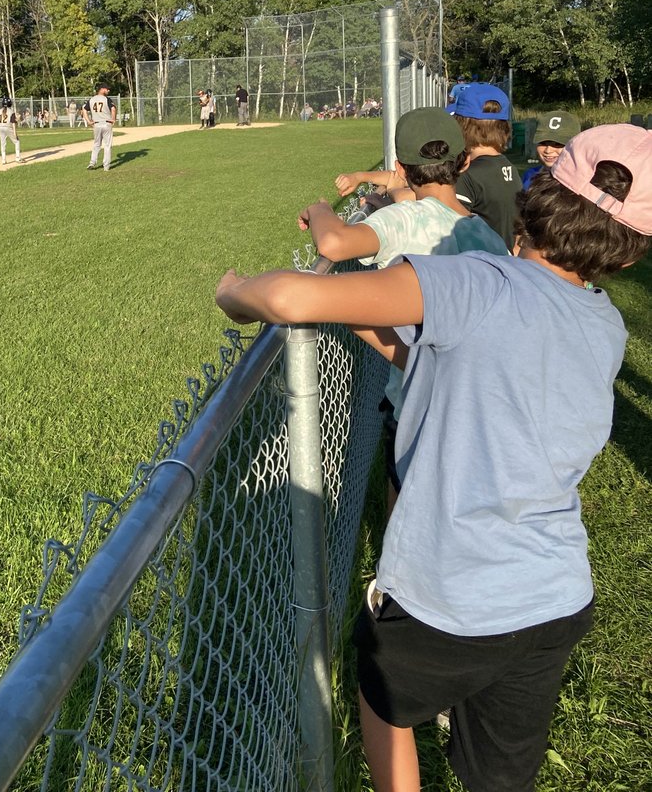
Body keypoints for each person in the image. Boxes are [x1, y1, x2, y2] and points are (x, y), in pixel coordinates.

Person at [217, 124, 652, 792]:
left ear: (536, 196)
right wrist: (358, 316)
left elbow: (288, 297)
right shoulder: (602, 324)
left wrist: (234, 294)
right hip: (554, 598)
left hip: (451, 595)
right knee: (499, 775)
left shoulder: (471, 282)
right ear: (626, 256)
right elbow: (459, 367)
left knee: (383, 701)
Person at [299, 108, 508, 506]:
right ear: (464, 161)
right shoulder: (487, 237)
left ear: (400, 168)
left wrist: (319, 210)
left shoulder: (403, 219)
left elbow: (334, 245)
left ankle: (394, 565)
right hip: (473, 395)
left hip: (416, 395)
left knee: (407, 492)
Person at [448, 81, 519, 250]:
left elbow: (450, 229)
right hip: (505, 265)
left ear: (461, 126)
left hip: (480, 268)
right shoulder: (510, 168)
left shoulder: (468, 175)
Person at [522, 110, 582, 191]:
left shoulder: (585, 182)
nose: (548, 150)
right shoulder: (530, 176)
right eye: (543, 143)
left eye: (557, 144)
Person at [84, 83, 116, 171]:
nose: (108, 90)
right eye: (107, 89)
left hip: (96, 124)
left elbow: (84, 110)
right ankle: (106, 166)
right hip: (106, 123)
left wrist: (88, 121)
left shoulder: (91, 99)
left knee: (96, 144)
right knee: (107, 145)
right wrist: (113, 119)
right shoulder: (107, 99)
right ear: (102, 89)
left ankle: (92, 163)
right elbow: (113, 109)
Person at [0, 97, 23, 165]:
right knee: (17, 142)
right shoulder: (11, 111)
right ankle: (18, 158)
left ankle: (3, 160)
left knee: (3, 144)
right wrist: (15, 133)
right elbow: (13, 123)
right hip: (8, 127)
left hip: (0, 128)